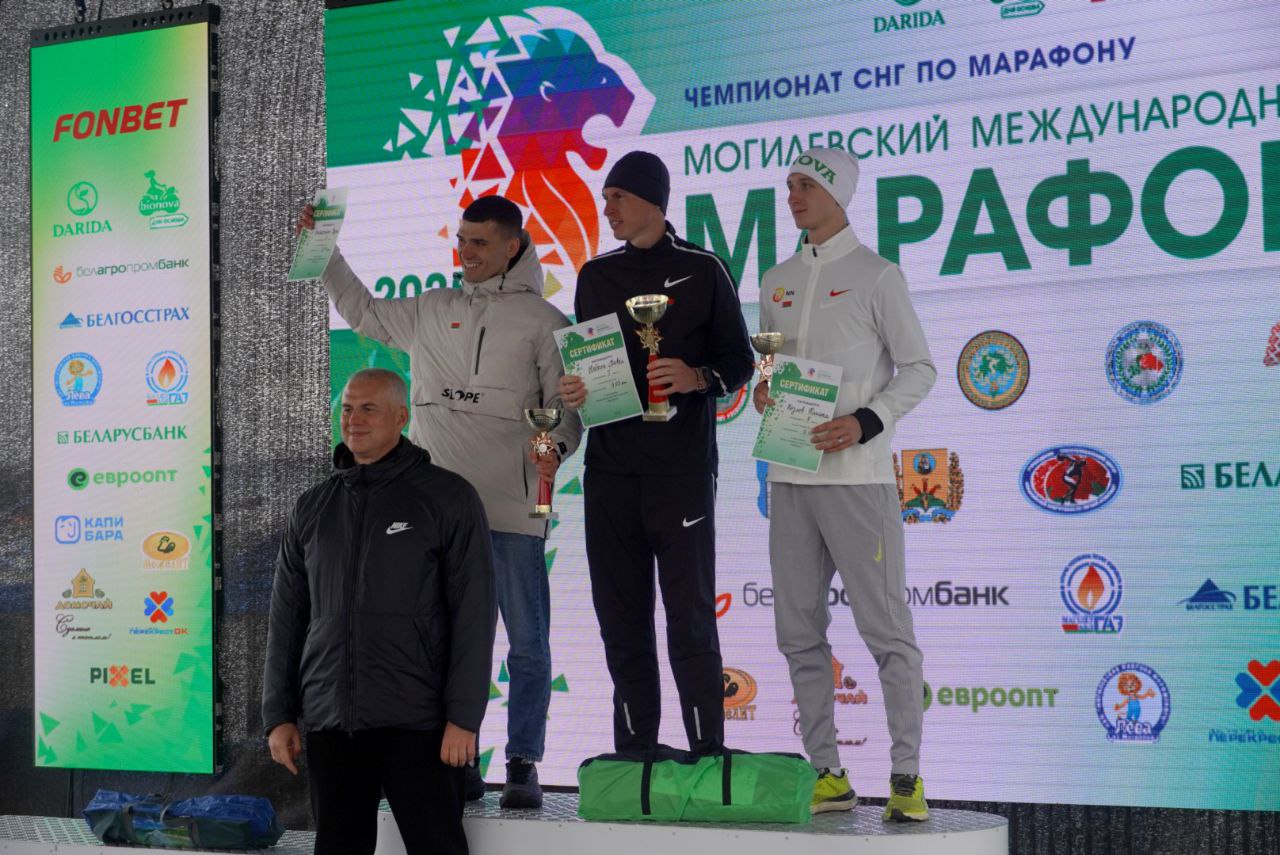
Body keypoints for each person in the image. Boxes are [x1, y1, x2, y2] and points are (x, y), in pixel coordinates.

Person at [298, 195, 581, 807]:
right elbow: (363, 309)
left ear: (513, 246)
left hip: (510, 510)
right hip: (432, 517)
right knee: (443, 643)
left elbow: (563, 412)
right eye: (461, 240)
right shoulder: (430, 308)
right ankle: (460, 758)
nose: (466, 252)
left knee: (527, 644)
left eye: (480, 242)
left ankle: (524, 761)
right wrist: (325, 252)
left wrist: (553, 448)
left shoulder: (546, 321)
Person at [755, 148, 936, 821]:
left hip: (858, 479)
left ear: (839, 193)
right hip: (790, 474)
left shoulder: (877, 274)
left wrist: (865, 421)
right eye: (790, 185)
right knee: (797, 632)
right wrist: (764, 392)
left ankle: (907, 776)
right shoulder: (775, 279)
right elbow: (771, 368)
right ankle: (827, 772)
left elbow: (919, 368)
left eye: (806, 184)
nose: (794, 195)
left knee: (886, 630)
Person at [558, 151, 754, 755]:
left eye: (617, 196)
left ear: (652, 199)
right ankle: (636, 754)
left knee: (689, 616)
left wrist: (696, 377)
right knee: (621, 618)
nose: (607, 208)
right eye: (605, 198)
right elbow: (592, 365)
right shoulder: (595, 275)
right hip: (610, 471)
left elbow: (739, 360)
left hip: (681, 472)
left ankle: (707, 751)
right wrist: (578, 390)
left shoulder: (703, 267)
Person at [262, 368, 497, 855]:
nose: (354, 419)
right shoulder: (312, 507)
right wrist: (278, 715)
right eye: (348, 408)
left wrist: (464, 717)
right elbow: (287, 618)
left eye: (369, 408)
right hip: (332, 722)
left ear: (401, 417)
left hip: (420, 723)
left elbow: (474, 615)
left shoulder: (448, 497)